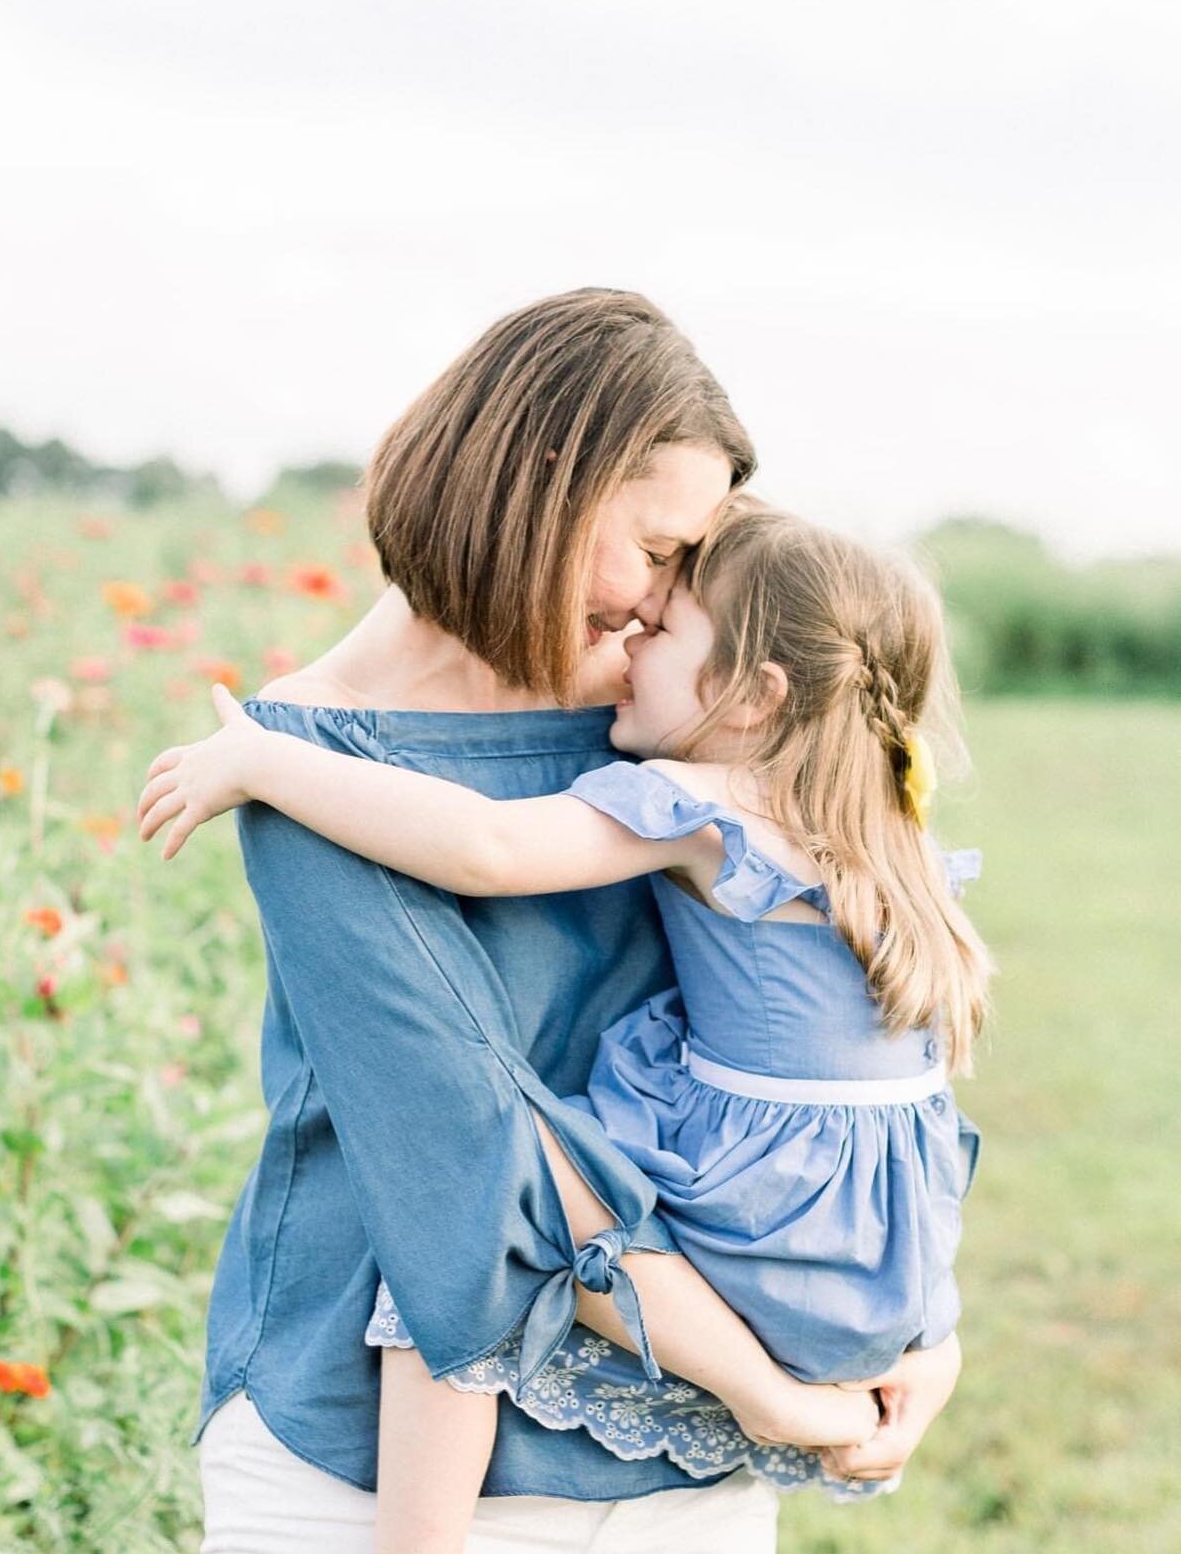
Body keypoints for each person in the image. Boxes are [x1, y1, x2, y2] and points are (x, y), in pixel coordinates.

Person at [137, 290, 963, 1553]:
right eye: (659, 550)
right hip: (372, 1473)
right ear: (545, 487)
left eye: (692, 571)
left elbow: (842, 1024)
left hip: (670, 1442)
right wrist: (775, 1390)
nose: (656, 606)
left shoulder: (664, 728)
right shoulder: (306, 767)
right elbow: (485, 1152)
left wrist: (923, 1336)